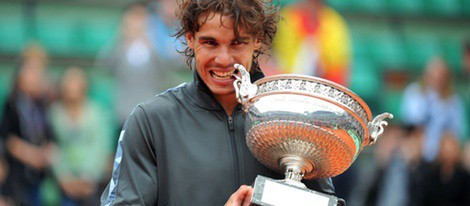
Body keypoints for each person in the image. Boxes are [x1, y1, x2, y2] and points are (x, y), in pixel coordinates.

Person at [100, 0, 337, 205]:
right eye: (210, 43)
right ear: (190, 39)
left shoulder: (293, 119)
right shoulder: (150, 122)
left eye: (237, 43)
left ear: (258, 41)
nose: (223, 59)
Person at [0, 44, 55, 206]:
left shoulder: (42, 105)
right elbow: (8, 139)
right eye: (31, 71)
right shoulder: (13, 104)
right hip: (17, 173)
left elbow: (48, 136)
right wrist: (33, 155)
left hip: (37, 175)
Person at [49, 67, 113, 206]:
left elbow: (101, 147)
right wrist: (64, 178)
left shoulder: (97, 113)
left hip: (91, 182)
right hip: (64, 181)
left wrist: (88, 177)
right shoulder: (54, 113)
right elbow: (53, 147)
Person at [401, 56, 467, 162]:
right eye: (434, 74)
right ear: (426, 74)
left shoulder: (453, 100)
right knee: (409, 147)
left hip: (442, 144)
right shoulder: (415, 92)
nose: (437, 78)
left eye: (441, 75)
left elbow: (457, 130)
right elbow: (411, 125)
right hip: (419, 140)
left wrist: (444, 142)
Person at [271, 0, 351, 85]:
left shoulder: (335, 23)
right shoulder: (287, 17)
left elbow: (338, 69)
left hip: (322, 84)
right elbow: (276, 58)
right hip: (286, 81)